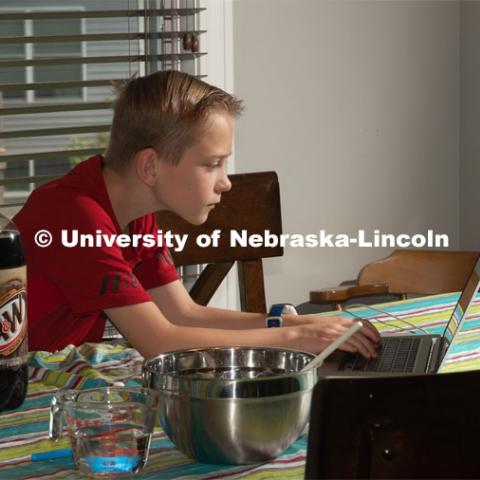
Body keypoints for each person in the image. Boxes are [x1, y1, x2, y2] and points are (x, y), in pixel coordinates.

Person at [13, 70, 380, 358]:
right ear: (150, 167)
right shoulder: (76, 217)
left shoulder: (133, 213)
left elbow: (182, 314)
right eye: (213, 164)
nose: (226, 183)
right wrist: (295, 337)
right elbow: (159, 340)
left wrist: (302, 324)